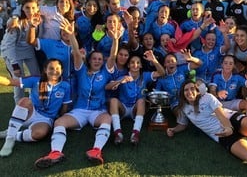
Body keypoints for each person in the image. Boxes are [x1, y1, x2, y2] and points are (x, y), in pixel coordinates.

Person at [34, 19, 112, 168]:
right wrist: (71, 35)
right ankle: (55, 153)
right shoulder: (81, 70)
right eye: (94, 58)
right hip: (80, 110)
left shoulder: (105, 72)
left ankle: (96, 151)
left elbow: (113, 57)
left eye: (100, 59)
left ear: (103, 62)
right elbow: (76, 52)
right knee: (59, 122)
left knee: (107, 119)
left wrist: (115, 39)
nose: (97, 61)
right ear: (88, 60)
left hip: (97, 111)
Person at [0, 58, 71, 157]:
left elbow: (65, 105)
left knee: (39, 134)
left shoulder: (66, 86)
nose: (54, 71)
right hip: (31, 113)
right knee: (24, 101)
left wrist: (61, 121)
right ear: (45, 70)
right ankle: (9, 139)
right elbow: (11, 82)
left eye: (57, 69)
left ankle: (13, 134)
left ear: (62, 71)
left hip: (46, 119)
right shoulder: (35, 80)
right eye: (51, 68)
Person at [107, 51, 165, 145]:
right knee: (113, 100)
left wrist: (154, 60)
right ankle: (118, 133)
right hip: (123, 108)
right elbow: (107, 87)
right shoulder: (123, 77)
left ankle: (135, 133)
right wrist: (120, 81)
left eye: (138, 62)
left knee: (142, 100)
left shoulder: (145, 76)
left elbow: (162, 73)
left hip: (136, 109)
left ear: (141, 66)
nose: (135, 65)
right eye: (132, 62)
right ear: (128, 65)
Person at [0, 0, 40, 104]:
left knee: (37, 76)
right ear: (22, 8)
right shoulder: (14, 23)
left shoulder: (39, 19)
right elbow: (9, 46)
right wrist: (15, 65)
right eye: (27, 8)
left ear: (37, 9)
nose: (30, 11)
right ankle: (19, 107)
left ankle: (34, 102)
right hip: (13, 53)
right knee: (19, 80)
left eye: (33, 8)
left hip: (28, 51)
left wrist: (15, 15)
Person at [155, 50, 202, 115]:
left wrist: (191, 58)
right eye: (168, 62)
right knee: (181, 115)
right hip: (175, 102)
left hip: (188, 97)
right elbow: (157, 93)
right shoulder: (161, 78)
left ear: (176, 62)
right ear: (164, 64)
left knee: (198, 111)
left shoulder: (181, 68)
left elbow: (199, 63)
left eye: (172, 61)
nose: (171, 63)